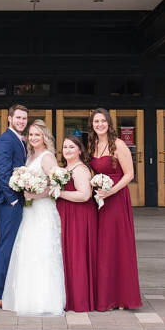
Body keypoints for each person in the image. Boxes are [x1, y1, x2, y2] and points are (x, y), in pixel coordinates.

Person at [1, 118, 66, 317]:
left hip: (43, 210)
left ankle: (45, 300)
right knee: (29, 252)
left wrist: (34, 195)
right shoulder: (29, 155)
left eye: (37, 134)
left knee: (43, 252)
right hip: (29, 211)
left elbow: (56, 186)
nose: (33, 137)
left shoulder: (47, 157)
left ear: (45, 136)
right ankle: (27, 298)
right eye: (31, 134)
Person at [89, 106, 142, 310]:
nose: (100, 124)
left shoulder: (118, 144)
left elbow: (129, 174)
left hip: (116, 200)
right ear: (92, 125)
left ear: (109, 123)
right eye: (96, 122)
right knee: (103, 247)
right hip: (99, 200)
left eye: (103, 121)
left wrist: (110, 192)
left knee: (116, 245)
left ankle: (121, 297)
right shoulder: (93, 143)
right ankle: (106, 295)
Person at [0, 101, 29, 307]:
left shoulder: (20, 140)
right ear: (9, 118)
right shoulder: (5, 140)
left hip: (19, 200)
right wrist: (13, 200)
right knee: (7, 245)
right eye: (18, 118)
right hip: (9, 202)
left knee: (16, 245)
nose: (21, 121)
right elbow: (3, 173)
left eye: (24, 118)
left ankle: (11, 287)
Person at [56, 133, 97, 312]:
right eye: (65, 147)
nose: (68, 150)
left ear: (79, 150)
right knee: (70, 255)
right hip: (69, 215)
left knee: (77, 255)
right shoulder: (66, 167)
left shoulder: (80, 169)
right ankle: (70, 296)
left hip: (80, 217)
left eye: (72, 147)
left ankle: (79, 299)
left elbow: (85, 195)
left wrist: (59, 193)